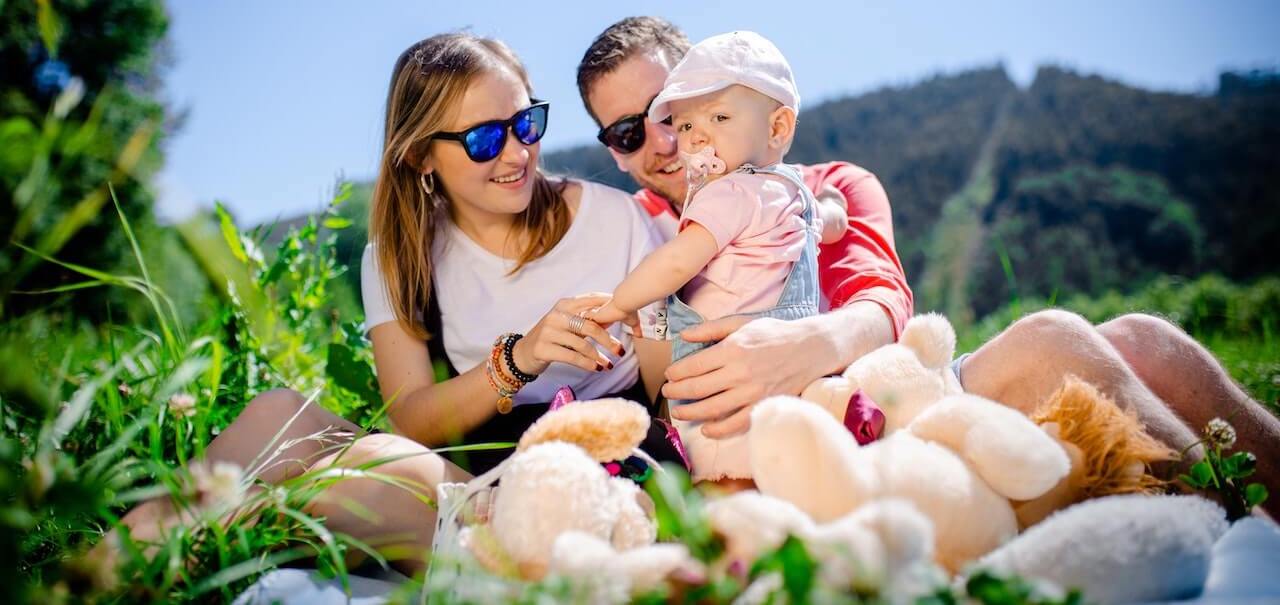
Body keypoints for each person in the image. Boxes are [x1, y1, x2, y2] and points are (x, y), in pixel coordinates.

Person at [576, 16, 1280, 517]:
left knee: (1145, 339)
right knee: (1052, 342)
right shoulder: (637, 231)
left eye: (679, 111)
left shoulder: (832, 183)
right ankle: (1240, 534)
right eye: (631, 132)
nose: (670, 142)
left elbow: (883, 302)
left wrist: (807, 343)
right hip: (784, 448)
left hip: (881, 392)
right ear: (612, 149)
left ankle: (1255, 523)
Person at [110, 32, 686, 574]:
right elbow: (413, 418)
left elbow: (669, 399)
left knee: (363, 473)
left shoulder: (616, 220)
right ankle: (101, 567)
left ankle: (176, 558)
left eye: (525, 123)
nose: (516, 154)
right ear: (420, 157)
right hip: (483, 469)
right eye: (485, 138)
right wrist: (518, 358)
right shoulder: (398, 257)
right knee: (277, 412)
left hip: (603, 472)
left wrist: (650, 319)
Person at [589, 30, 847, 483]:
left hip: (725, 392)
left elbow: (673, 265)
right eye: (686, 124)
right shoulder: (792, 192)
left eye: (719, 117)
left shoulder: (726, 194)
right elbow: (826, 223)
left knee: (725, 471)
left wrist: (616, 305)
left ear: (777, 128)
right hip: (796, 374)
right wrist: (834, 207)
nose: (687, 141)